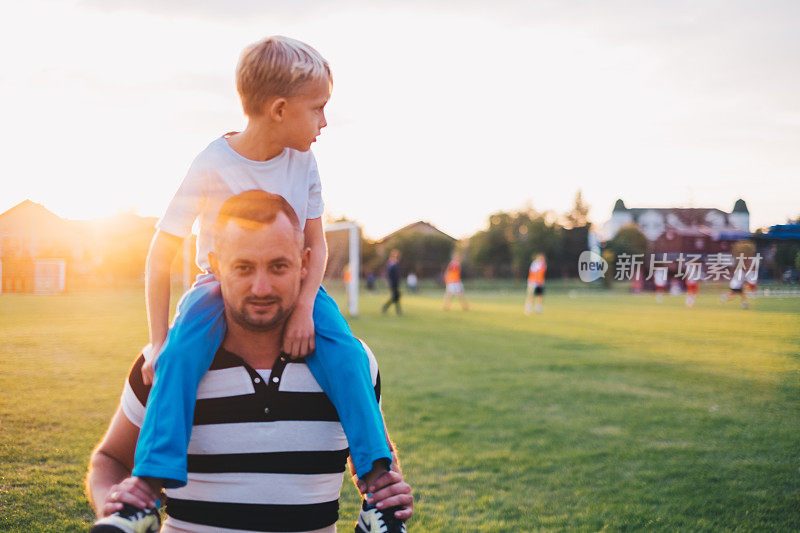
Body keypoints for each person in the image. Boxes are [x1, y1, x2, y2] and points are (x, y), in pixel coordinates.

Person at [129, 36, 392, 521]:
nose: (324, 121)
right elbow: (161, 252)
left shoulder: (305, 162)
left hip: (299, 286)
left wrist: (307, 307)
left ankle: (376, 486)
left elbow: (318, 244)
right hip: (218, 286)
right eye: (318, 108)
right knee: (181, 357)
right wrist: (157, 339)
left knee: (349, 355)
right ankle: (147, 487)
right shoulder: (212, 163)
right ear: (278, 109)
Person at [87, 192, 412, 532]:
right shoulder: (164, 364)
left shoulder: (352, 360)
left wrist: (390, 496)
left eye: (278, 266)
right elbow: (110, 460)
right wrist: (115, 501)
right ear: (215, 265)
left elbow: (378, 464)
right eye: (243, 267)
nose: (261, 287)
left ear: (305, 263)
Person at [382, 250, 401, 315]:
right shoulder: (391, 264)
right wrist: (390, 282)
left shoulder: (394, 264)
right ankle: (397, 310)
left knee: (396, 297)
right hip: (393, 284)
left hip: (395, 283)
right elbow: (389, 275)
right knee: (396, 296)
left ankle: (397, 310)